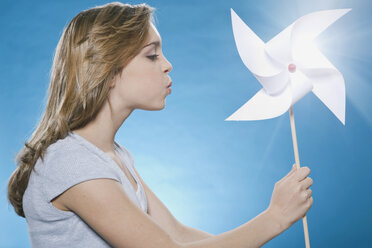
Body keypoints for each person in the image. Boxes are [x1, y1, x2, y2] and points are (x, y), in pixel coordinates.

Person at [7, 2, 313, 248]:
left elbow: (178, 235)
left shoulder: (115, 156)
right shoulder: (69, 162)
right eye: (152, 55)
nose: (167, 63)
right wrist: (274, 218)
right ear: (108, 72)